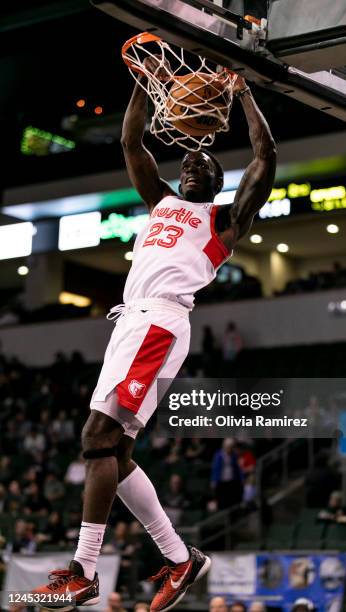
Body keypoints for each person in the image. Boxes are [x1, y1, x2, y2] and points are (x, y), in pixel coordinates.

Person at [32, 57, 276, 612]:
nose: (193, 164)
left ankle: (82, 572)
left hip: (160, 322)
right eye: (189, 160)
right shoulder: (159, 201)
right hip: (134, 322)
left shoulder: (223, 221)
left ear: (215, 183)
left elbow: (266, 158)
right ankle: (178, 558)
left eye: (204, 163)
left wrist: (242, 95)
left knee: (96, 441)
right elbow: (130, 142)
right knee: (111, 453)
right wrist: (146, 82)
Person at [211, 438, 244, 510]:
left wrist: (241, 478)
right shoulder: (218, 455)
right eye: (228, 447)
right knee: (222, 501)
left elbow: (237, 468)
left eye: (231, 447)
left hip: (232, 481)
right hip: (221, 482)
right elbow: (215, 469)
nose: (229, 449)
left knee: (231, 501)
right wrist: (214, 481)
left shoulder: (234, 455)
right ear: (224, 446)